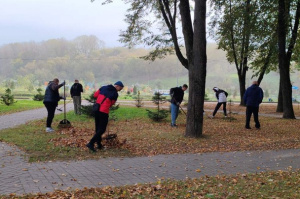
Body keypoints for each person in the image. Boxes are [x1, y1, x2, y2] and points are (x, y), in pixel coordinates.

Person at [86, 81, 124, 152]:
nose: (120, 90)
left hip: (97, 109)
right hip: (104, 111)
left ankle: (99, 144)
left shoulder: (103, 87)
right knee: (102, 129)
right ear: (117, 86)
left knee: (98, 128)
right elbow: (112, 103)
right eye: (120, 89)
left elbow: (95, 95)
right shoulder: (115, 94)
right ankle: (91, 143)